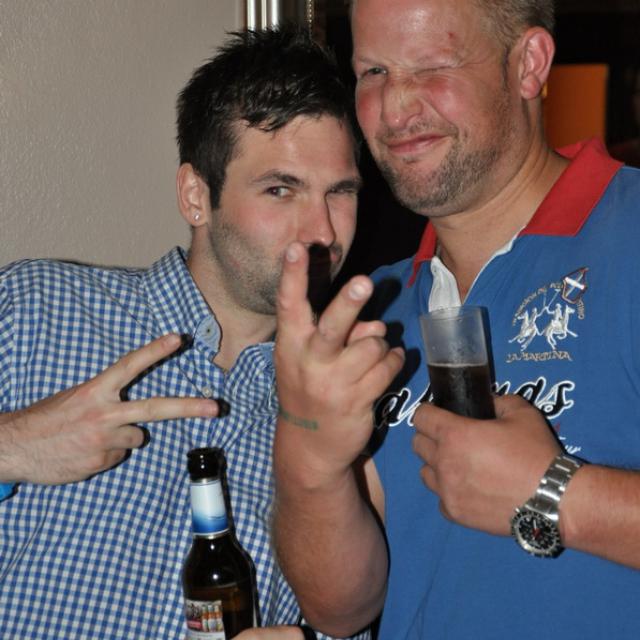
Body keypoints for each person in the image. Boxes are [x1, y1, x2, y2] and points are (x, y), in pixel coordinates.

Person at [272, 1, 640, 638]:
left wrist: (557, 495)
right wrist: (309, 456)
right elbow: (342, 609)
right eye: (373, 72)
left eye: (433, 65)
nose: (394, 109)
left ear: (528, 64)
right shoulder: (374, 308)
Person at [0, 27, 368, 640]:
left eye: (341, 192)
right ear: (197, 196)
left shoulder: (353, 405)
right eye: (281, 190)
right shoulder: (37, 309)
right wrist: (12, 446)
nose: (322, 231)